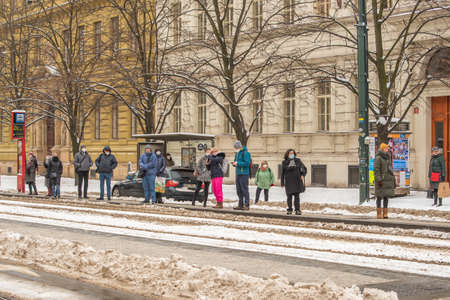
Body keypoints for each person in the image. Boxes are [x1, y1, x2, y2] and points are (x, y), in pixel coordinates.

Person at [281, 149, 307, 215]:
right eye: (290, 153)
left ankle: (297, 210)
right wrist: (282, 182)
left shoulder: (298, 160)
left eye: (293, 153)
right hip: (288, 181)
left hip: (296, 181)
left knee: (297, 196)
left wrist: (302, 174)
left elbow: (304, 168)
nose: (292, 154)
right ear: (287, 154)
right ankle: (289, 209)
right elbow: (282, 172)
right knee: (289, 196)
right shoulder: (284, 162)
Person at [374, 143, 396, 219]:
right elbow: (376, 170)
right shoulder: (378, 158)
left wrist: (393, 178)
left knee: (386, 197)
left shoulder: (388, 157)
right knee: (379, 197)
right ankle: (379, 213)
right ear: (383, 149)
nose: (387, 149)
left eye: (387, 148)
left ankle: (385, 213)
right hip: (381, 180)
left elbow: (390, 169)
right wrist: (379, 179)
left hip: (387, 180)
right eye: (386, 148)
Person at [232, 141, 252, 210]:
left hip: (244, 173)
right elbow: (236, 162)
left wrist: (238, 163)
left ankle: (247, 205)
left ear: (239, 147)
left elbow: (247, 163)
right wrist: (234, 163)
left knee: (244, 189)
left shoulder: (245, 153)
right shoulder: (237, 154)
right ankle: (240, 204)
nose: (235, 148)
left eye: (236, 147)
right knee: (239, 190)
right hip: (238, 173)